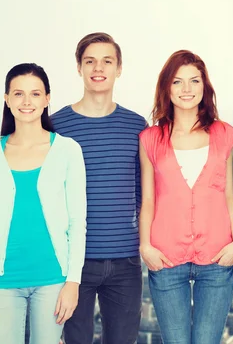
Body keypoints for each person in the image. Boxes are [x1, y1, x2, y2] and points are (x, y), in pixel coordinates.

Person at [0, 63, 87, 344]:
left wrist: (73, 282)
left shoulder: (68, 150)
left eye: (35, 94)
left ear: (48, 99)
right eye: (19, 94)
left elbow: (77, 222)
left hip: (53, 278)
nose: (27, 102)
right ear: (7, 99)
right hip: (1, 279)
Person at [139, 50, 233, 343]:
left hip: (216, 256)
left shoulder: (224, 134)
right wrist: (145, 245)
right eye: (177, 82)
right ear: (166, 89)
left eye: (194, 81)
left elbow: (228, 194)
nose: (186, 89)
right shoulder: (150, 138)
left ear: (204, 87)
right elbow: (148, 199)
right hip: (165, 257)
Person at [51, 33, 147, 344]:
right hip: (72, 264)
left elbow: (145, 195)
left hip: (126, 261)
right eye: (90, 61)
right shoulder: (56, 127)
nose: (98, 67)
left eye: (107, 61)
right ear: (78, 68)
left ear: (119, 68)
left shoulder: (136, 126)